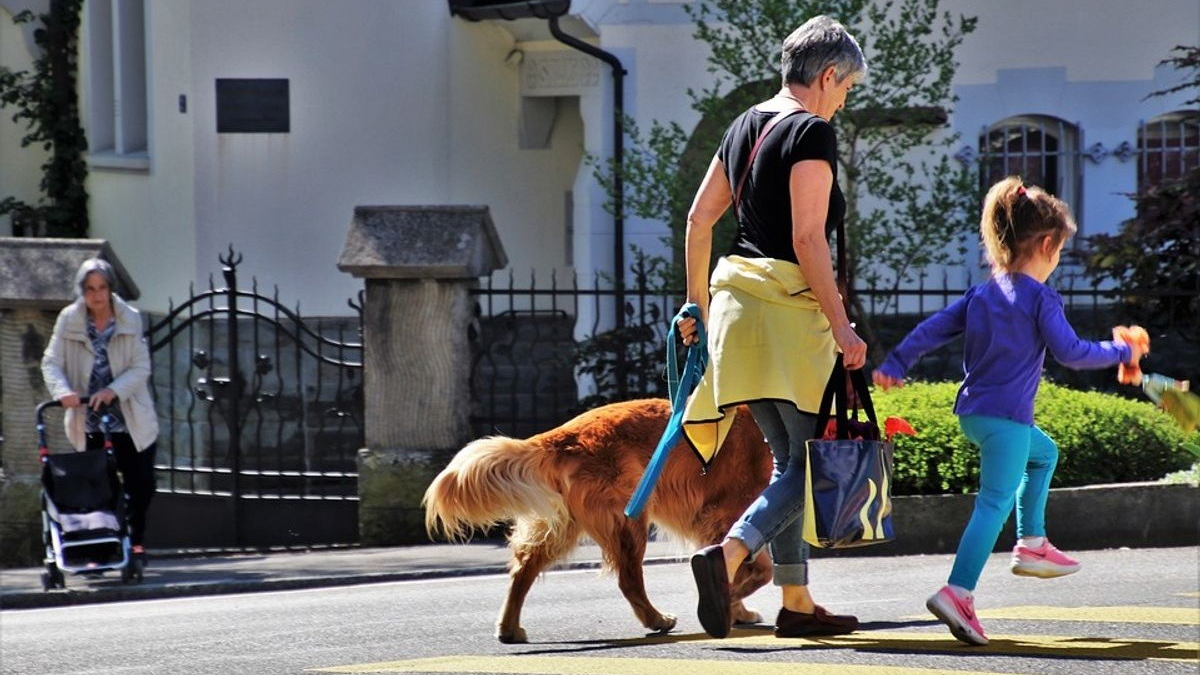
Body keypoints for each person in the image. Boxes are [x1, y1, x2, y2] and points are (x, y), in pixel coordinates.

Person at [871, 177, 1146, 646]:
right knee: (993, 503)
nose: (1058, 258)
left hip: (975, 416)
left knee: (1044, 454)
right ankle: (958, 591)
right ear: (1046, 244)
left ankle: (1032, 542)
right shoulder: (1040, 297)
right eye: (1059, 249)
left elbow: (932, 327)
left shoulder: (983, 293)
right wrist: (1122, 351)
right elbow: (1072, 352)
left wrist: (897, 362)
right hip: (1007, 421)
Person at [675, 15, 868, 640]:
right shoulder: (810, 131)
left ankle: (798, 604)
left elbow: (700, 220)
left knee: (790, 461)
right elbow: (807, 237)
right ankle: (728, 556)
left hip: (736, 311)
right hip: (788, 313)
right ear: (829, 74)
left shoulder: (743, 125)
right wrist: (843, 327)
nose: (843, 101)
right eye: (847, 88)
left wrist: (696, 309)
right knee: (813, 465)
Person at [42, 258, 160, 562]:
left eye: (102, 288)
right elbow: (51, 362)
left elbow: (140, 366)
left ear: (110, 289)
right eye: (90, 289)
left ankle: (136, 541)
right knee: (99, 487)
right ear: (82, 291)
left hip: (129, 416)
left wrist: (113, 390)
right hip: (89, 419)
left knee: (141, 483)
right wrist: (63, 391)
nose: (96, 295)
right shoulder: (69, 319)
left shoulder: (129, 318)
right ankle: (107, 545)